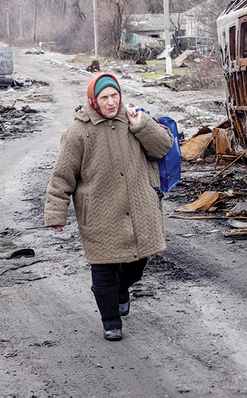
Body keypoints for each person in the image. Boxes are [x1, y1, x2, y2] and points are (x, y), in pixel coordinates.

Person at [44, 73, 174, 341]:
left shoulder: (133, 118)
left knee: (137, 262)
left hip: (139, 207)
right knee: (103, 267)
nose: (111, 101)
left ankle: (121, 288)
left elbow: (163, 148)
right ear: (94, 100)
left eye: (115, 95)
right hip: (99, 211)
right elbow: (62, 175)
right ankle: (111, 321)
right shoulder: (78, 132)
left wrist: (142, 125)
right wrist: (56, 213)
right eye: (104, 97)